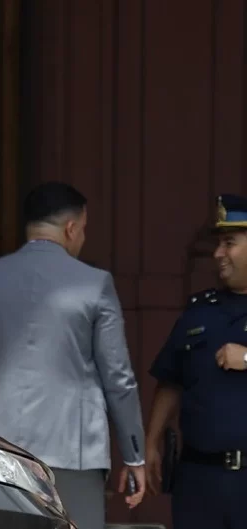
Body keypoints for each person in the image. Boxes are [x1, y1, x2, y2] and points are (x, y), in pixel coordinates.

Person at [0, 181, 146, 529]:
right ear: (72, 228)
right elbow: (118, 378)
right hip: (71, 449)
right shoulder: (95, 284)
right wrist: (134, 455)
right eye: (84, 230)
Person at [146, 194, 247, 529]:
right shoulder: (199, 311)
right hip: (199, 481)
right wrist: (152, 443)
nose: (218, 253)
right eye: (218, 244)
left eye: (229, 243)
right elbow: (171, 381)